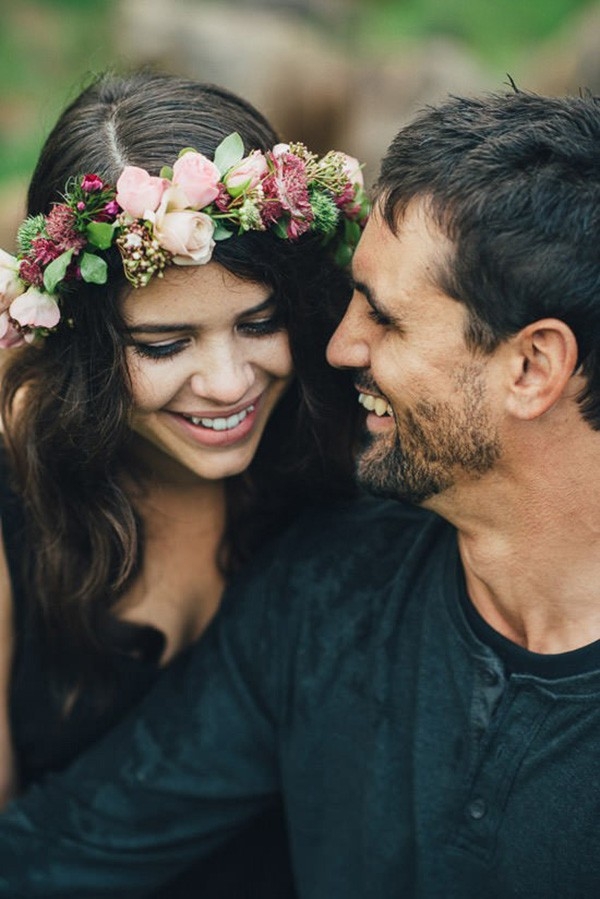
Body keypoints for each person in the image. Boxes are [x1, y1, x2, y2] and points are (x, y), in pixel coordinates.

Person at [1, 86, 599, 898]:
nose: (340, 343)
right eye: (166, 342)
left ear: (532, 367)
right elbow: (64, 842)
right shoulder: (321, 589)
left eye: (384, 319)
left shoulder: (340, 488)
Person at [0, 70, 368, 897]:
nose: (229, 381)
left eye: (259, 322)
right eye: (166, 345)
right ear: (86, 350)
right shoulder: (17, 503)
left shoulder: (352, 443)